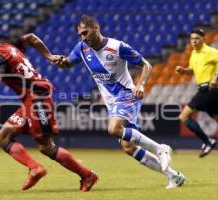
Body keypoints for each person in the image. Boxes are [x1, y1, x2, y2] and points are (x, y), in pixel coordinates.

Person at [0, 32, 98, 191]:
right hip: (30, 101)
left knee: (46, 146)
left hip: (38, 98)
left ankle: (87, 175)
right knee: (3, 137)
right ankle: (35, 168)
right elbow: (31, 38)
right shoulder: (8, 45)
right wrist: (48, 55)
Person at [53, 15, 185, 189]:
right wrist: (59, 61)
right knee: (128, 147)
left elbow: (146, 65)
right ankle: (174, 176)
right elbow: (68, 64)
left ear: (96, 27)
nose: (84, 37)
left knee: (114, 129)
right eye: (80, 35)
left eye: (85, 32)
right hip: (112, 102)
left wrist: (141, 84)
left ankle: (161, 149)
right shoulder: (81, 49)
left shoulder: (117, 47)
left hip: (127, 94)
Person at [175, 28, 218, 158]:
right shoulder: (194, 53)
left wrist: (215, 77)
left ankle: (208, 141)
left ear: (204, 39)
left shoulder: (211, 51)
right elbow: (193, 70)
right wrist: (184, 70)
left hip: (208, 89)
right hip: (206, 90)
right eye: (192, 39)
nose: (194, 41)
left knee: (184, 116)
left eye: (197, 38)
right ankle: (208, 141)